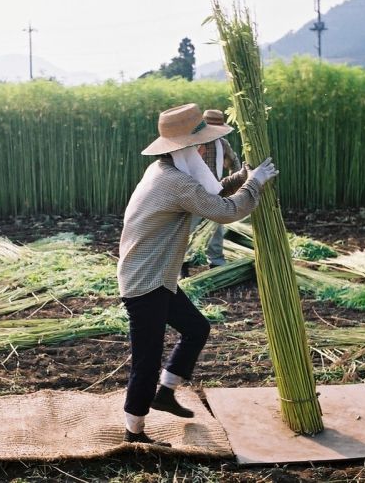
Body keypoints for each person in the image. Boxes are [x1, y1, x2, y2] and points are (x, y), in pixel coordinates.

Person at [117, 103, 278, 445]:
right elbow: (224, 210)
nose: (206, 150)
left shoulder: (164, 170)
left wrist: (244, 177)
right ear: (186, 148)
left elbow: (212, 191)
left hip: (158, 276)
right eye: (202, 145)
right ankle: (134, 434)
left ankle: (166, 392)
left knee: (196, 328)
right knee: (146, 359)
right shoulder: (174, 182)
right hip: (145, 282)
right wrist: (255, 185)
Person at [183, 109, 241, 274]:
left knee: (216, 229)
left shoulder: (222, 144)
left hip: (215, 191)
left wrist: (234, 184)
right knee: (188, 229)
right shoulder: (191, 143)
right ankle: (183, 265)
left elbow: (234, 162)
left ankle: (216, 263)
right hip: (192, 192)